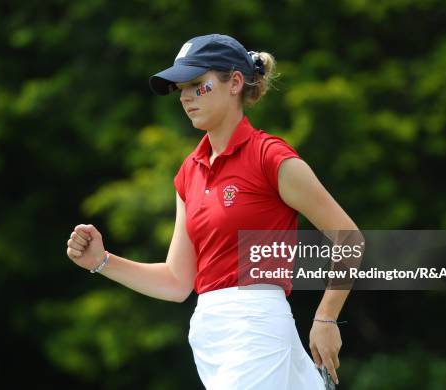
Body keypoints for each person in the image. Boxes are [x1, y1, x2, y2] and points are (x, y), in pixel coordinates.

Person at [66, 34, 360, 389]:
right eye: (181, 89)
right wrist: (102, 261)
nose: (186, 97)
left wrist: (326, 319)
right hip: (208, 333)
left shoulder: (271, 157)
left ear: (235, 82)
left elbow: (348, 237)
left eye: (197, 85)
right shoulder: (188, 172)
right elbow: (177, 282)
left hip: (256, 325)